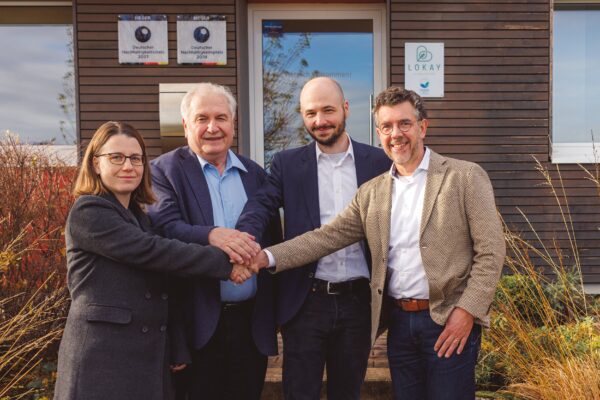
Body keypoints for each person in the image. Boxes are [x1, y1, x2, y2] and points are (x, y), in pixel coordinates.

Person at [246, 87, 506, 400]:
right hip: (399, 323)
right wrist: (265, 257)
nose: (396, 134)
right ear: (379, 133)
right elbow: (325, 237)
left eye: (404, 124)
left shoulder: (464, 177)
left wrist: (467, 311)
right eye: (386, 127)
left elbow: (491, 252)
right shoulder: (373, 191)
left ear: (422, 127)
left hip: (447, 321)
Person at [53, 121, 247, 400]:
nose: (128, 166)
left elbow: (165, 285)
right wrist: (228, 263)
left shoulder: (138, 217)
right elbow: (155, 252)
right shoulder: (89, 210)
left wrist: (177, 344)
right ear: (96, 164)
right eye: (116, 157)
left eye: (136, 158)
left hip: (145, 360)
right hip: (102, 361)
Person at [236, 76, 391, 400]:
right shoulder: (287, 164)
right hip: (305, 300)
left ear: (346, 109)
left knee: (347, 393)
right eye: (310, 113)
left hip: (358, 301)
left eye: (328, 110)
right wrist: (242, 239)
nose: (319, 121)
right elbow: (262, 204)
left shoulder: (378, 163)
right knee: (299, 392)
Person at [147, 83, 281, 400]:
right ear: (185, 125)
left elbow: (271, 237)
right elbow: (164, 228)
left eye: (221, 117)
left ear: (233, 124)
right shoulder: (163, 171)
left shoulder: (254, 174)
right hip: (197, 324)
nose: (212, 127)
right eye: (202, 118)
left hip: (251, 325)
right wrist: (213, 234)